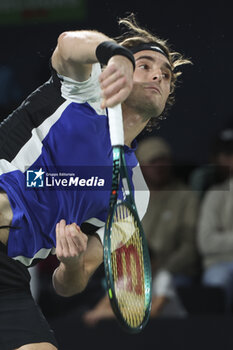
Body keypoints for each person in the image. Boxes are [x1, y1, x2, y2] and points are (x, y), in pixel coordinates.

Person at [0, 14, 190, 349]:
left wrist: (70, 264)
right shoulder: (81, 93)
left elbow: (69, 284)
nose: (159, 74)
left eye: (166, 73)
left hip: (9, 275)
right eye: (144, 64)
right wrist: (112, 51)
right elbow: (67, 46)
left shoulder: (134, 193)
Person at [136, 136, 200, 287]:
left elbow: (190, 246)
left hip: (174, 273)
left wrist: (164, 269)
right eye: (153, 162)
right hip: (132, 273)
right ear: (141, 167)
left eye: (164, 160)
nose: (160, 166)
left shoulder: (186, 197)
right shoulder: (129, 197)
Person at [197, 128, 233, 311]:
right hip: (222, 264)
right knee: (215, 281)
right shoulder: (215, 194)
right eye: (228, 154)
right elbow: (206, 242)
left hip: (223, 256)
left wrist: (225, 236)